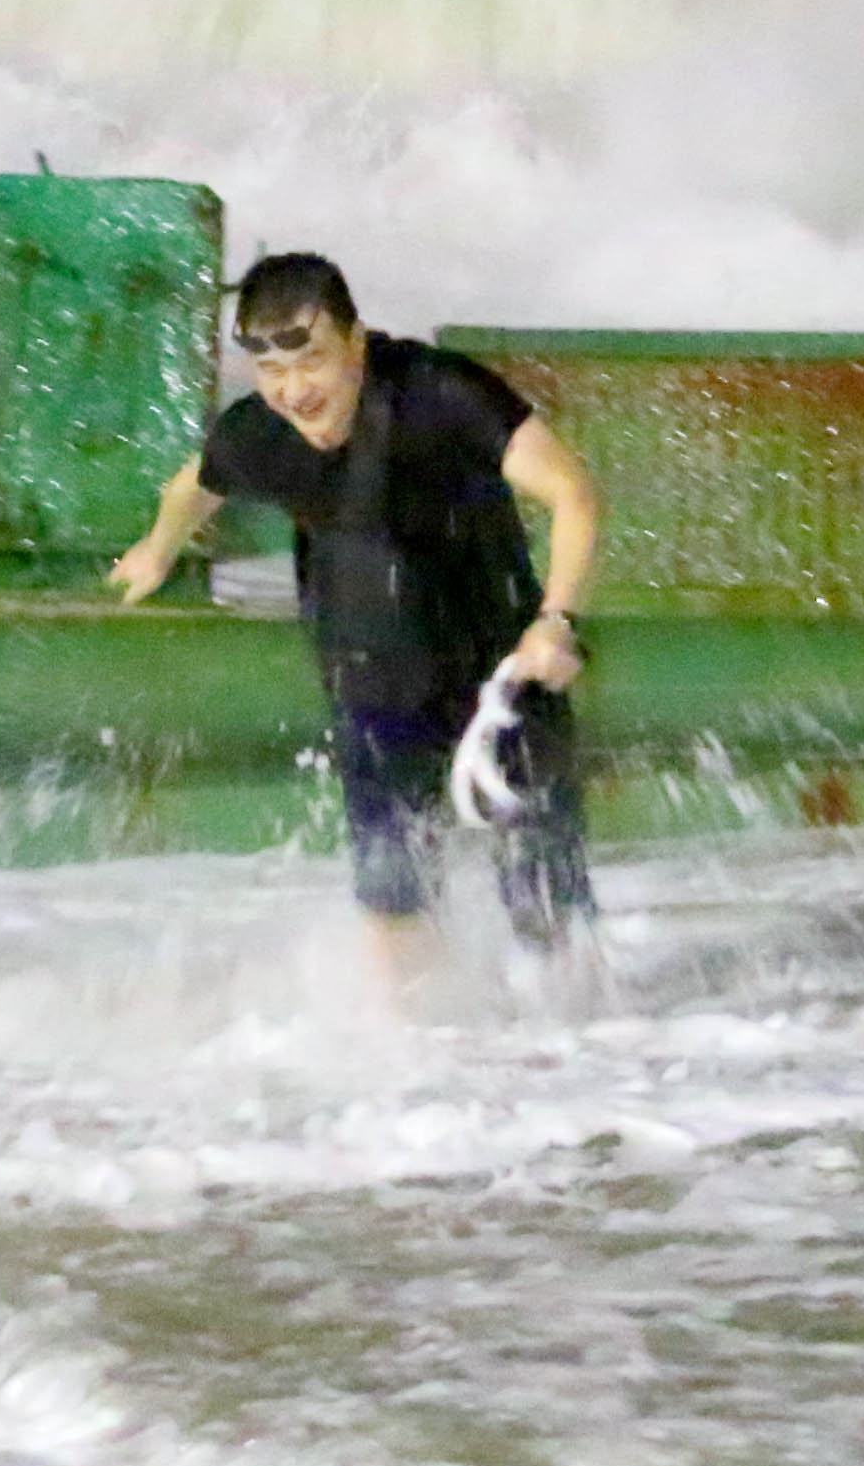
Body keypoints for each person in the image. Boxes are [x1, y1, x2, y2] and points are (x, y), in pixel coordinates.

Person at [107, 251, 605, 971]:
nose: (293, 390)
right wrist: (157, 550)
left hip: (504, 676)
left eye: (310, 361)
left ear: (358, 343)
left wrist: (556, 622)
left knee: (546, 900)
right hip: (374, 679)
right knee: (394, 899)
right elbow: (194, 484)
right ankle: (416, 1063)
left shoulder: (441, 395)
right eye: (270, 370)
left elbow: (572, 493)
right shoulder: (259, 434)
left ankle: (580, 1052)